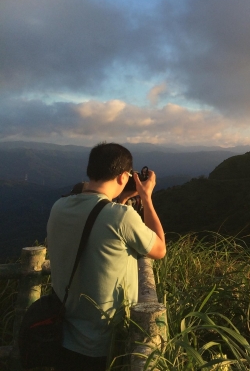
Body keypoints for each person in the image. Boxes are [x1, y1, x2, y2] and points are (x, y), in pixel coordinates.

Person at [46, 142, 166, 370]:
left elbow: (98, 223)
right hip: (104, 345)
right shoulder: (122, 217)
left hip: (63, 336)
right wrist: (146, 197)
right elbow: (159, 249)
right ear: (123, 177)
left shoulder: (58, 207)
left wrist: (121, 199)